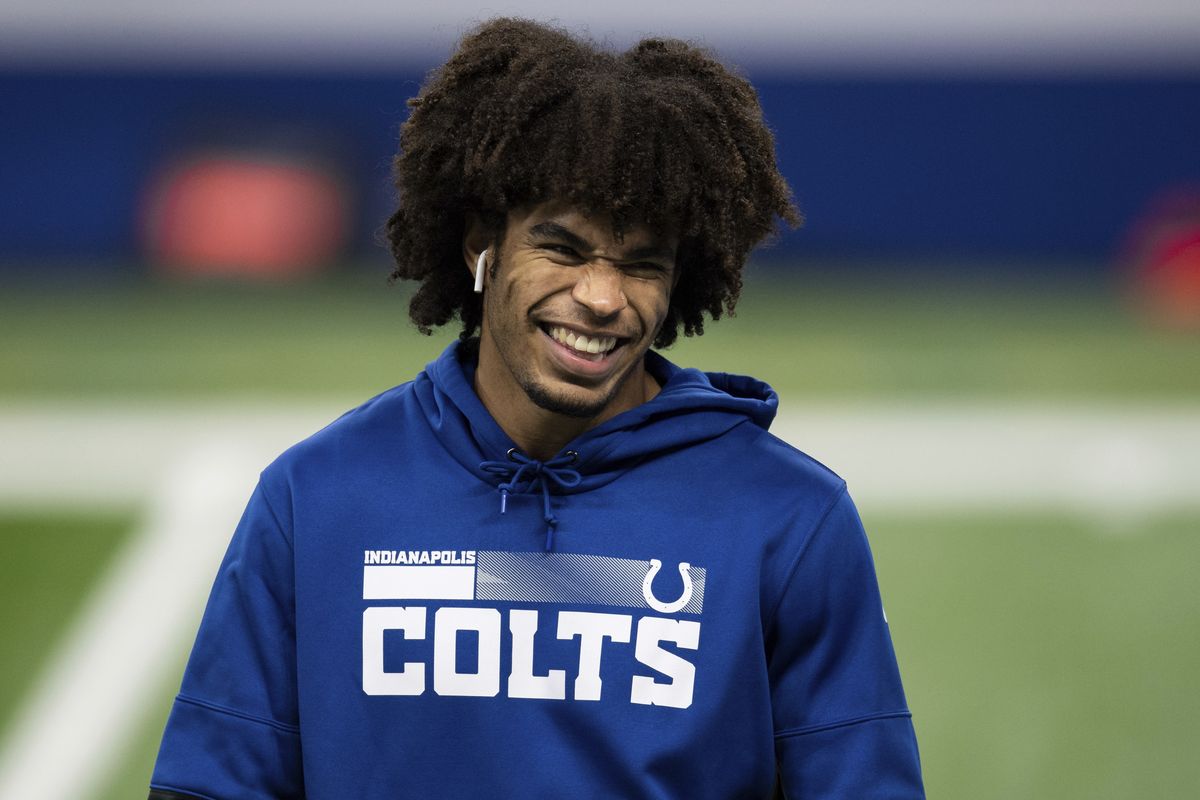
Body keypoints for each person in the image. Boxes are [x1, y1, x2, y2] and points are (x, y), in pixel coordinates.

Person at [149, 17, 924, 800]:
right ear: (480, 244)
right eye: (563, 248)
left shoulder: (790, 522)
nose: (600, 297)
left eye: (640, 265)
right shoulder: (316, 499)